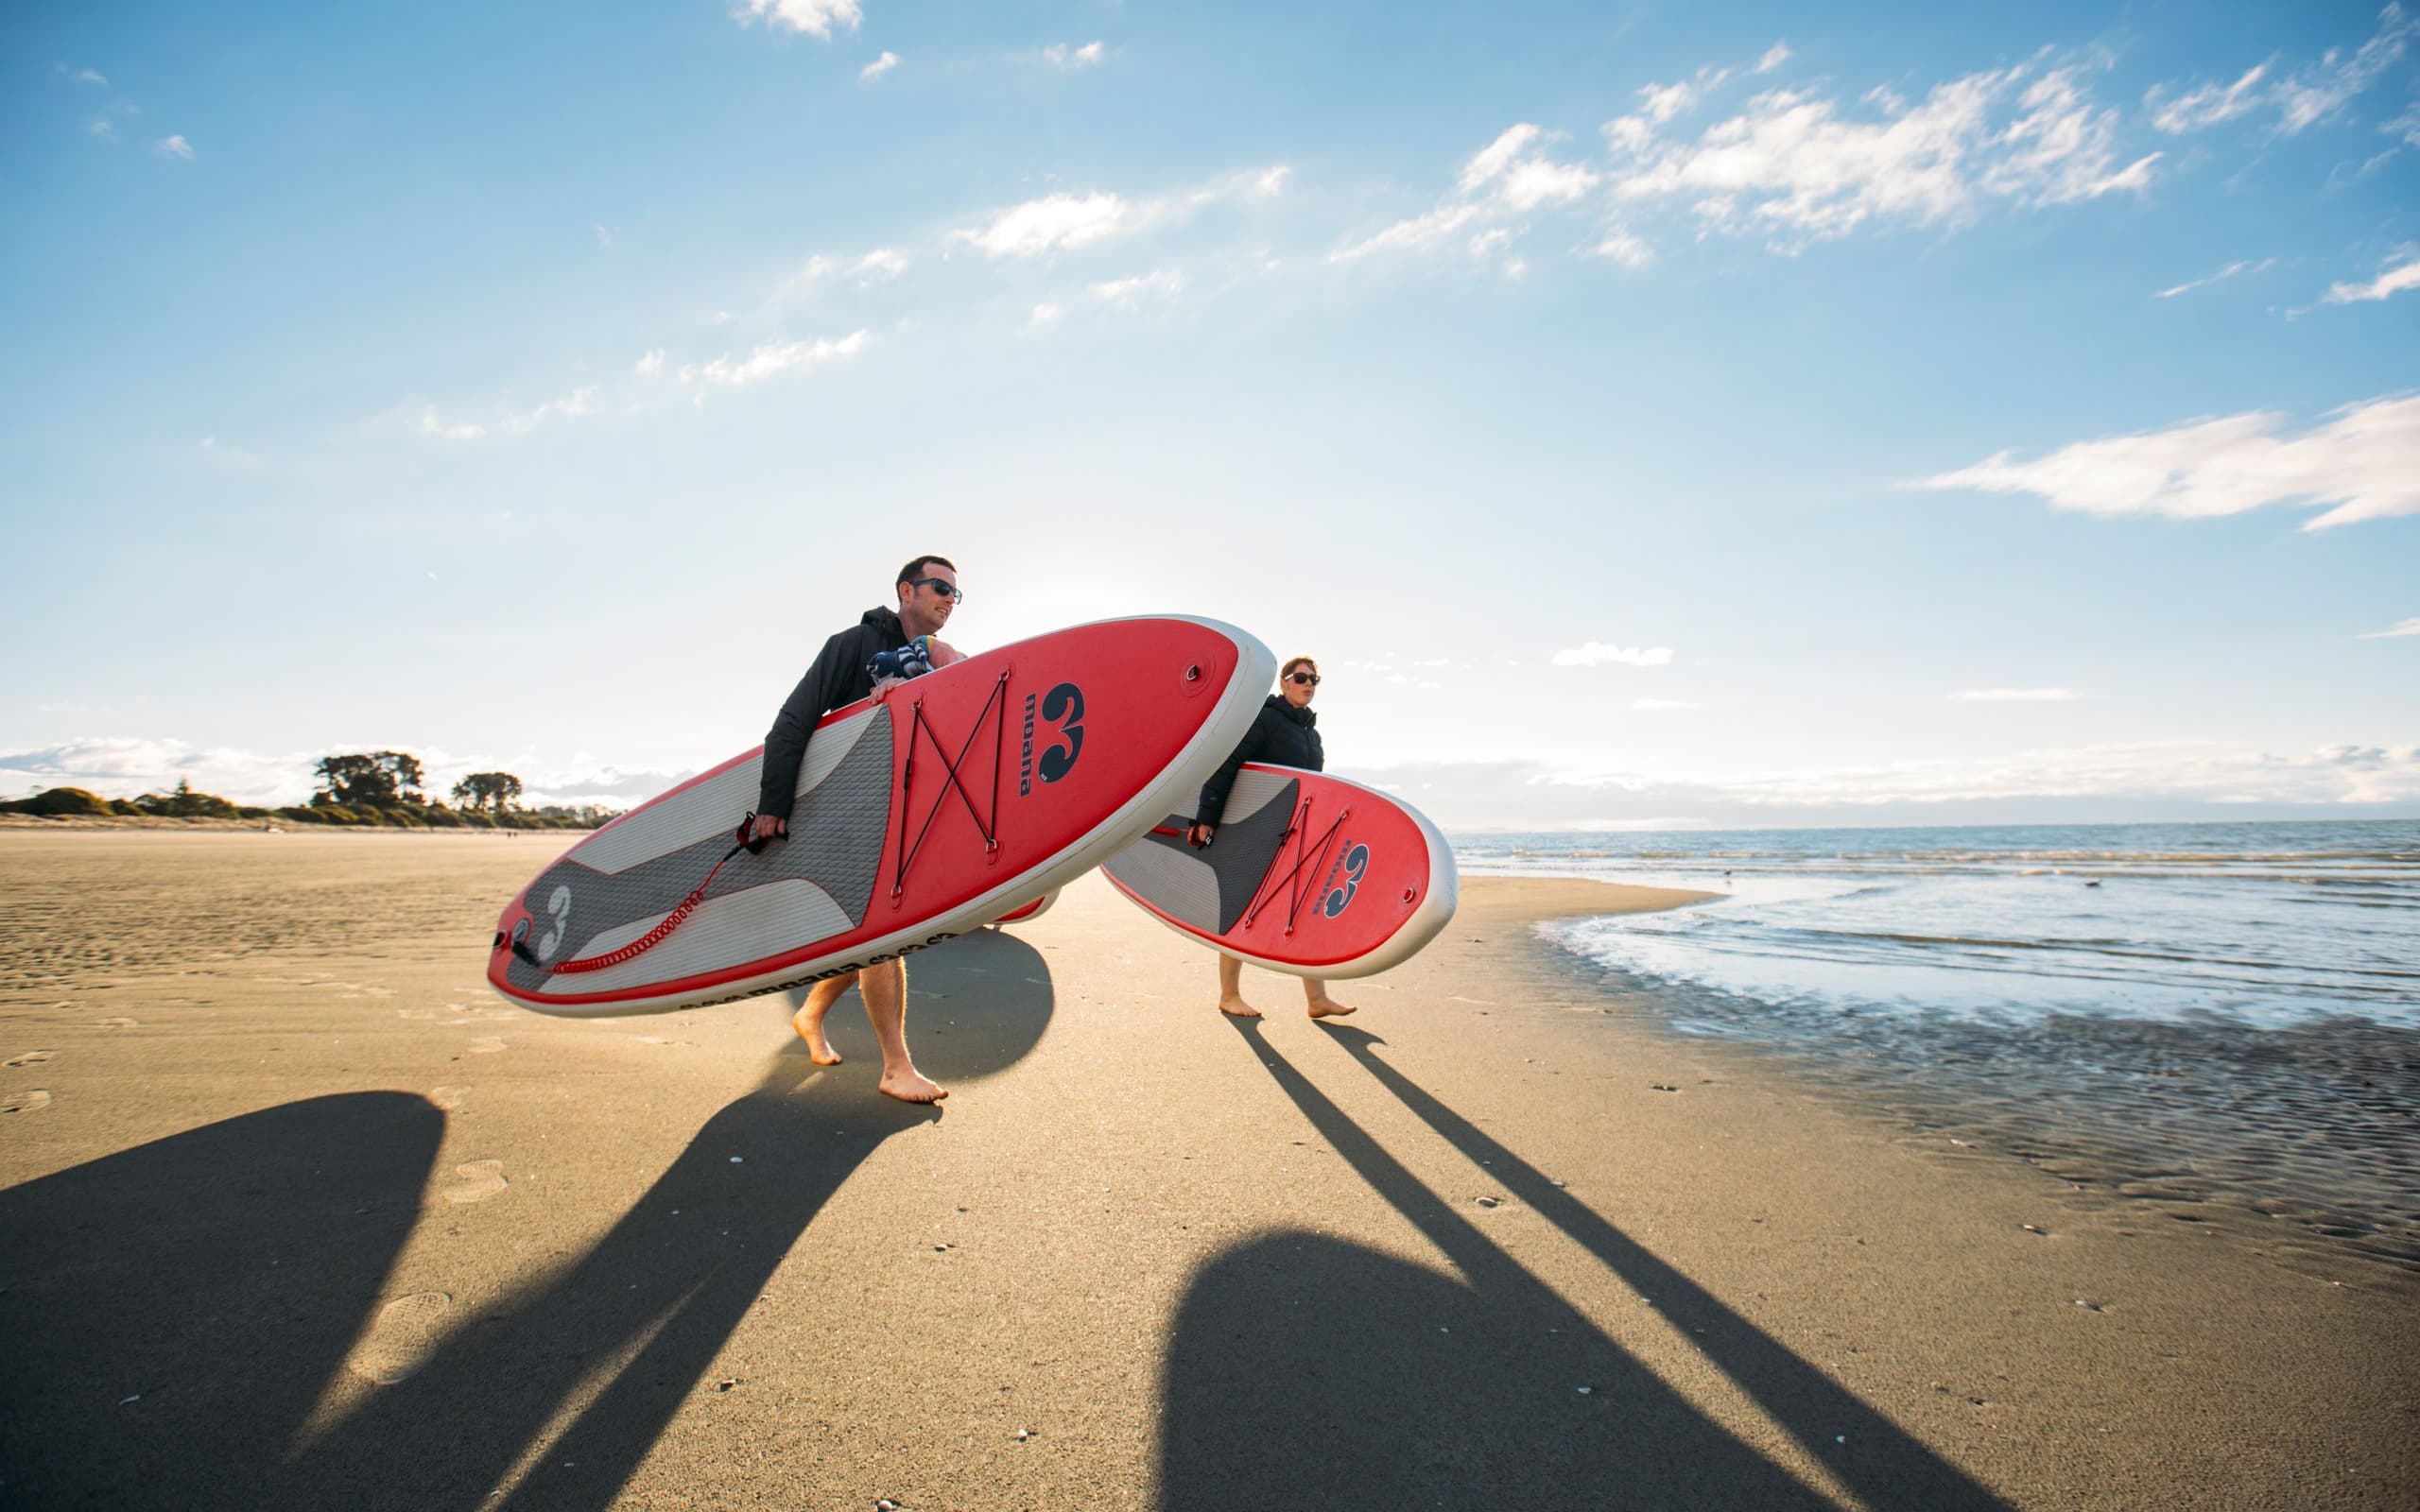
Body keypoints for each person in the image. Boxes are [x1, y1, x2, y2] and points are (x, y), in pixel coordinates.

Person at [749, 556, 963, 1102]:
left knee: (867, 937)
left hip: (898, 813)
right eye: (940, 587)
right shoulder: (852, 643)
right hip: (843, 813)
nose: (949, 599)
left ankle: (811, 1014)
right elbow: (794, 720)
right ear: (906, 590)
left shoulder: (934, 660)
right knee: (882, 936)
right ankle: (896, 1066)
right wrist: (774, 805)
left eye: (956, 594)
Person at [1186, 656, 1356, 1021]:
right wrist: (1208, 817)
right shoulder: (1265, 720)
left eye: (1314, 679)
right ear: (1284, 683)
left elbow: (1313, 789)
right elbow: (1228, 763)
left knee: (1301, 911)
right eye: (1301, 678)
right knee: (1242, 906)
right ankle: (1229, 995)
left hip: (1294, 833)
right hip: (1256, 828)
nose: (1308, 684)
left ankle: (1317, 999)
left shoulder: (1311, 734)